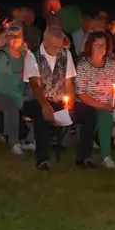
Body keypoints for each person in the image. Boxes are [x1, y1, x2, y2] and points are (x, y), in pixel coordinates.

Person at [24, 25, 77, 172]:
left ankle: (84, 157)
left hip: (58, 98)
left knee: (87, 112)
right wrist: (45, 105)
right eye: (55, 47)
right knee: (42, 114)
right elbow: (35, 85)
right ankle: (43, 159)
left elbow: (68, 83)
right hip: (35, 99)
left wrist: (70, 102)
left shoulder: (65, 54)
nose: (58, 50)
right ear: (45, 41)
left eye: (60, 47)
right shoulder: (32, 56)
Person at [72, 35, 115, 169]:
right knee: (96, 117)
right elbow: (81, 94)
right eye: (97, 45)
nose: (101, 48)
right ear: (90, 46)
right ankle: (97, 157)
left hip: (108, 103)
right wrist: (102, 106)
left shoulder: (110, 64)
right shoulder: (83, 66)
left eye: (103, 45)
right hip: (88, 104)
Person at [0, 24, 33, 153]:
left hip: (20, 90)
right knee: (11, 106)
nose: (14, 39)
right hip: (0, 92)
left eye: (17, 36)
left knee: (41, 102)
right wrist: (21, 77)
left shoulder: (24, 54)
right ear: (7, 38)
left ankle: (29, 139)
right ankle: (14, 142)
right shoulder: (1, 56)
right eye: (11, 36)